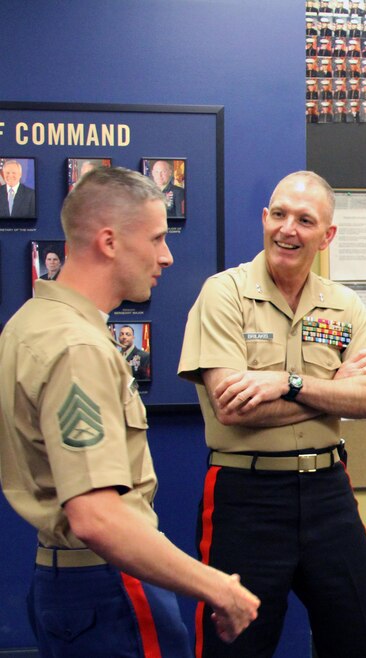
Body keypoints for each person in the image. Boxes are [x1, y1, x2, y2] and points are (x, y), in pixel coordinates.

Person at [0, 167, 259, 657]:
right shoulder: (78, 347)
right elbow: (98, 518)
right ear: (109, 241)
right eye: (157, 237)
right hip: (108, 586)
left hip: (64, 584)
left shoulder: (30, 324)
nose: (167, 255)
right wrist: (217, 588)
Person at [178, 171, 366, 657]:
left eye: (304, 219)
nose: (287, 230)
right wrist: (332, 391)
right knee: (234, 647)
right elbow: (231, 408)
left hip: (328, 495)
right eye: (278, 215)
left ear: (327, 235)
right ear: (264, 219)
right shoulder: (224, 294)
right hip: (245, 499)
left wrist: (288, 383)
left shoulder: (344, 306)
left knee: (365, 641)